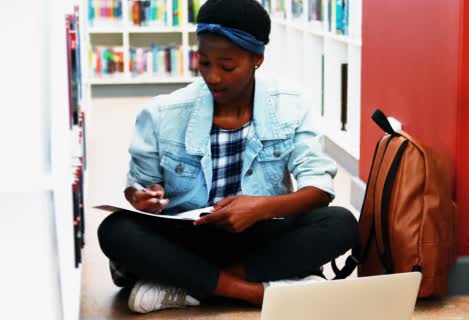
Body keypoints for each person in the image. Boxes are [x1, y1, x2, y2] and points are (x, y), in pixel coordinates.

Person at [97, 0, 358, 314]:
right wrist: (143, 196)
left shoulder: (291, 105)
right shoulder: (163, 112)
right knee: (115, 230)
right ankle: (254, 292)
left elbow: (319, 188)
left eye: (227, 66)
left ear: (257, 60)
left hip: (258, 232)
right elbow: (140, 184)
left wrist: (261, 208)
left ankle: (187, 284)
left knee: (341, 223)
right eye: (204, 63)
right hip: (189, 236)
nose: (214, 77)